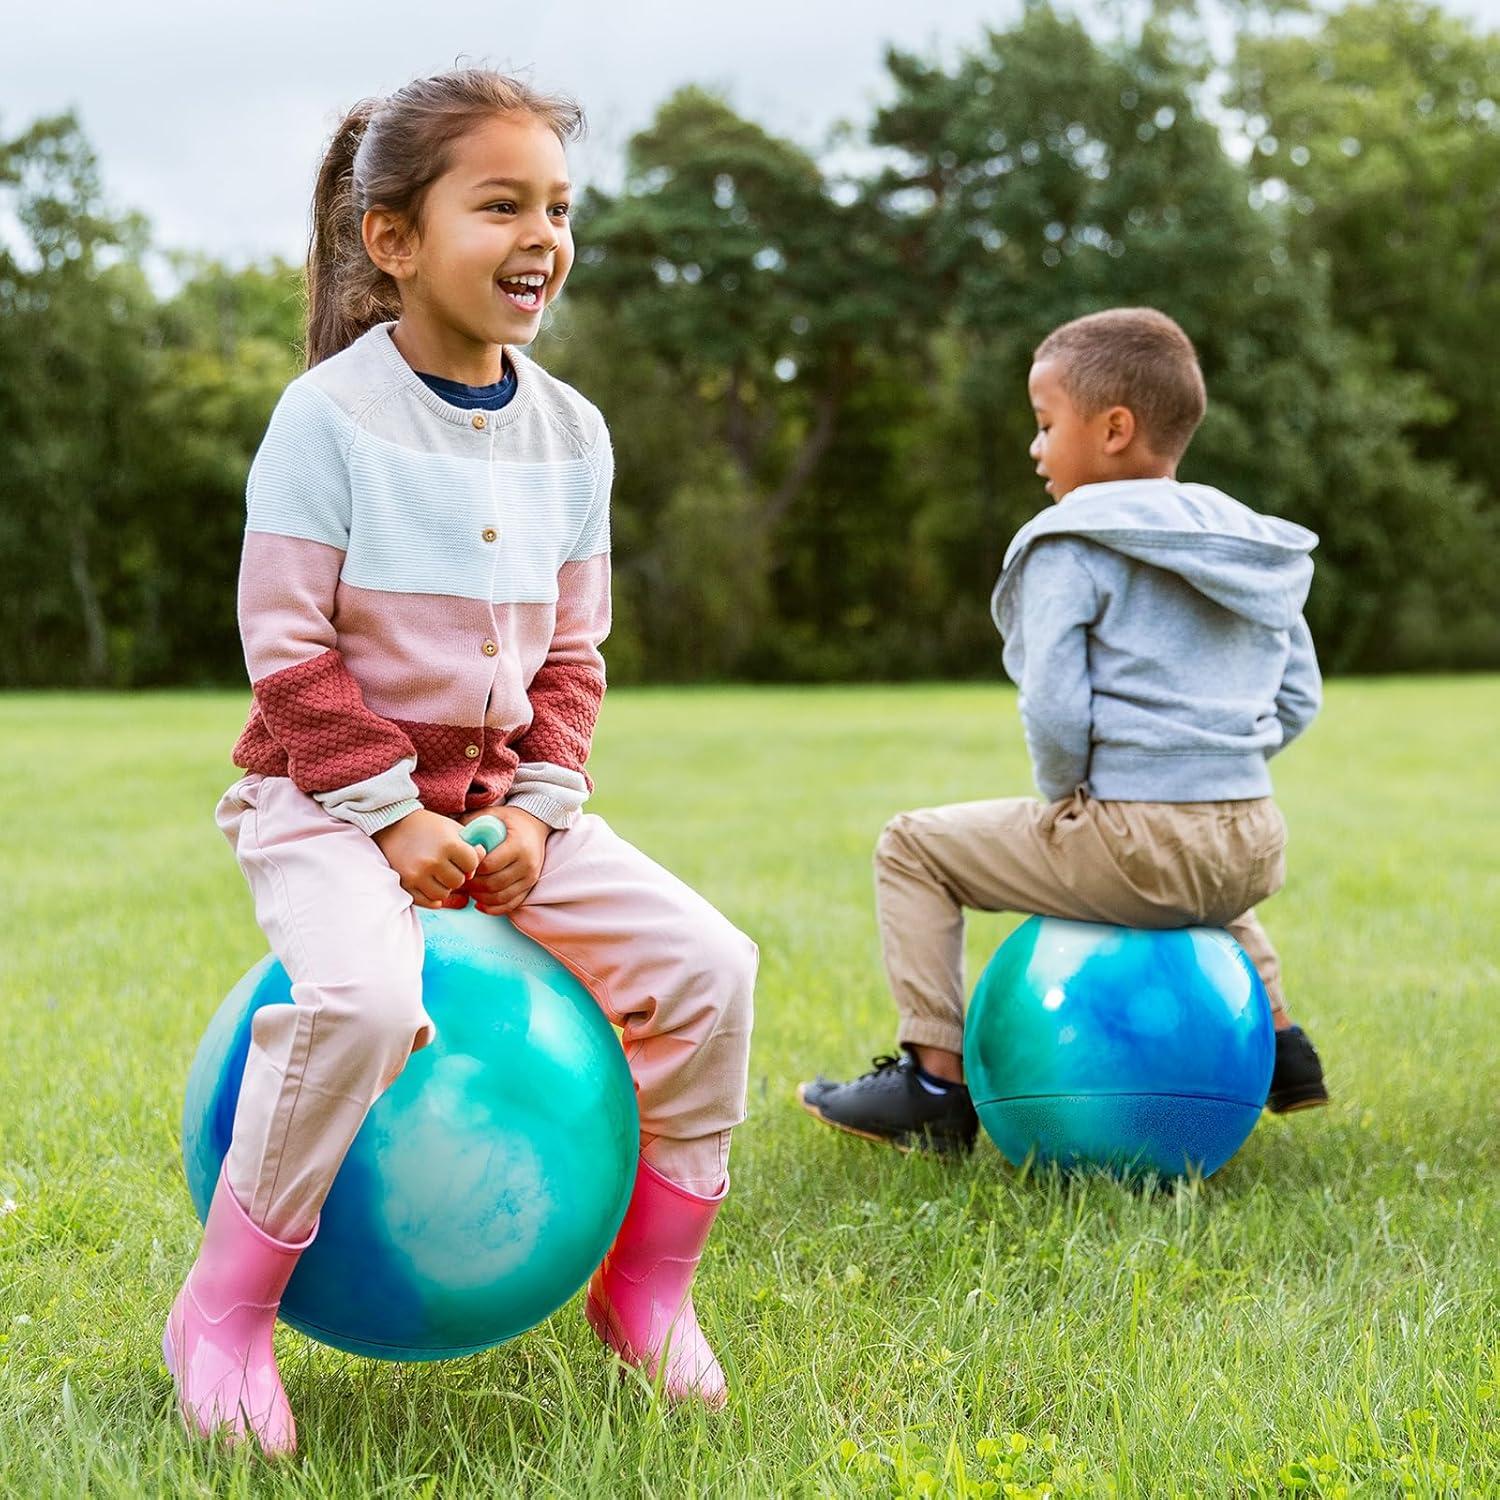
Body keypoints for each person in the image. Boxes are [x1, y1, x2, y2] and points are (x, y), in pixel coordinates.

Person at [164, 69, 756, 1454]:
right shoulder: (326, 419)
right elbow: (286, 650)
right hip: (323, 802)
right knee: (369, 1004)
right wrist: (386, 818)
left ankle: (647, 1286)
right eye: (501, 205)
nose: (542, 235)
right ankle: (226, 1310)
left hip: (503, 813)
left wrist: (540, 813)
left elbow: (573, 659)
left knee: (711, 968)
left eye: (559, 207)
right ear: (394, 240)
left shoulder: (574, 434)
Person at [799, 307, 1328, 1155]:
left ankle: (932, 1083)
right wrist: (1212, 766)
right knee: (1192, 877)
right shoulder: (1242, 544)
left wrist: (1070, 798)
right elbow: (1299, 693)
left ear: (1113, 430)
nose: (1035, 448)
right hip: (1253, 839)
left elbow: (1053, 706)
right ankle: (1283, 1045)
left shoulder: (1070, 542)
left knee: (912, 847)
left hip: (1136, 842)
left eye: (1046, 425)